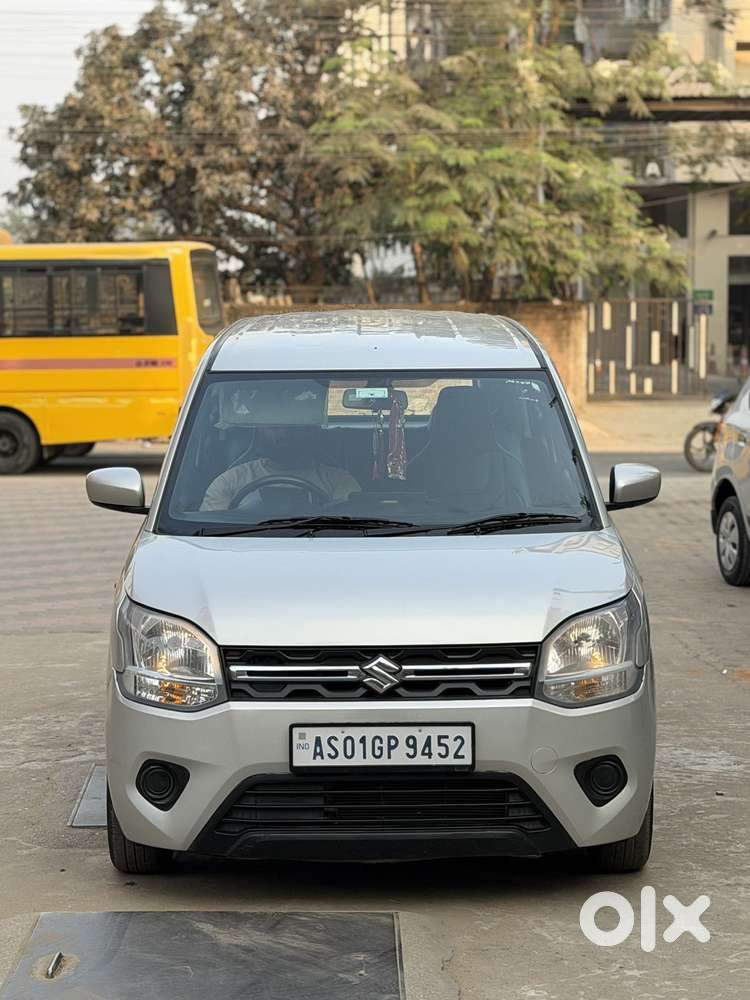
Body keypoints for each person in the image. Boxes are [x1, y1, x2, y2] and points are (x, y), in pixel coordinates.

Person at [201, 425, 360, 511]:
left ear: (311, 431)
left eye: (294, 428)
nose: (284, 435)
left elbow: (350, 530)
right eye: (275, 427)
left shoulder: (340, 482)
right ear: (260, 430)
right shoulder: (229, 482)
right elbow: (210, 532)